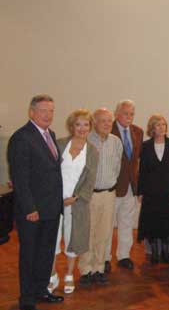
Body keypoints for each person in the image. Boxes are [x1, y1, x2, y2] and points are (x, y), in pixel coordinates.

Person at [7, 94, 64, 310]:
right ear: (31, 112)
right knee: (29, 255)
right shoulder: (21, 138)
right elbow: (20, 178)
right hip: (32, 211)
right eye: (43, 111)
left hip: (51, 208)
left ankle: (41, 291)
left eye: (51, 111)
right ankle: (27, 301)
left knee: (45, 253)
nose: (48, 115)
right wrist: (30, 208)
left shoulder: (51, 135)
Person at [47, 109, 98, 294]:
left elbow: (90, 181)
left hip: (77, 204)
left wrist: (75, 198)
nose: (82, 128)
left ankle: (69, 274)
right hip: (54, 202)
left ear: (90, 127)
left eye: (86, 125)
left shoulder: (93, 151)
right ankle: (52, 274)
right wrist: (55, 197)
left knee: (72, 239)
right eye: (78, 124)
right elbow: (49, 173)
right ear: (71, 126)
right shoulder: (59, 144)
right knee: (52, 239)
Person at [78, 108, 122, 286]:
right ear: (94, 123)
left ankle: (98, 268)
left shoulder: (116, 142)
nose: (107, 124)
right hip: (90, 195)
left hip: (109, 194)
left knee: (104, 234)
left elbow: (117, 167)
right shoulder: (86, 141)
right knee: (88, 233)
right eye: (103, 121)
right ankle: (85, 270)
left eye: (109, 121)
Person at [105, 100, 144, 271]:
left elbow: (136, 160)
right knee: (107, 224)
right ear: (116, 114)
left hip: (131, 185)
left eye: (131, 114)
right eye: (125, 113)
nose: (129, 117)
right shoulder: (108, 129)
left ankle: (124, 256)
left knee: (126, 222)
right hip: (112, 185)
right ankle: (105, 258)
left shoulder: (138, 132)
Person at [137, 114, 169, 264]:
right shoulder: (145, 146)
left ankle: (166, 251)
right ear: (152, 128)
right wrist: (140, 191)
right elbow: (142, 171)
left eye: (163, 124)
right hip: (150, 192)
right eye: (158, 125)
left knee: (167, 221)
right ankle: (154, 251)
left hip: (168, 191)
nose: (161, 127)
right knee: (152, 221)